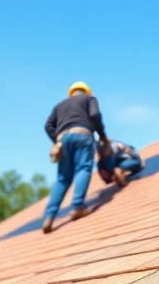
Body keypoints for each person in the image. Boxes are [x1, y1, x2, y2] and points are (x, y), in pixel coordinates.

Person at [42, 81, 110, 234]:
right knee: (83, 169)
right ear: (86, 91)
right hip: (82, 134)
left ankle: (49, 216)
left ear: (71, 93)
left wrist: (57, 140)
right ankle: (77, 206)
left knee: (62, 179)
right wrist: (103, 137)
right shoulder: (89, 99)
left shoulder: (59, 105)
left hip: (62, 140)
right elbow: (95, 115)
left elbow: (48, 126)